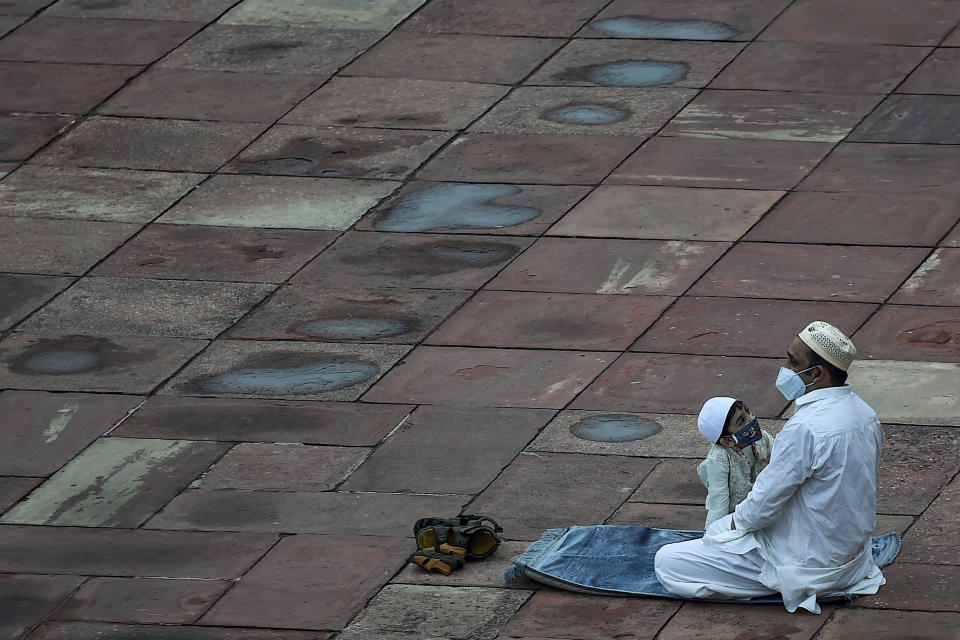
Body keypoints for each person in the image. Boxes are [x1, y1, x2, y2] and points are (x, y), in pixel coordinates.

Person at [655, 321, 885, 614]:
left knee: (668, 562)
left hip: (808, 566)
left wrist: (722, 530)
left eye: (792, 361)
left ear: (816, 374)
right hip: (853, 560)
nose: (785, 367)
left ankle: (769, 587)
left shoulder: (804, 428)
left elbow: (760, 509)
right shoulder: (867, 415)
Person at [696, 397, 776, 528]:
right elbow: (718, 504)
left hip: (765, 503)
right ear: (728, 441)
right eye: (742, 421)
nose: (750, 419)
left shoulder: (763, 438)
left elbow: (783, 462)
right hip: (737, 517)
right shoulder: (718, 461)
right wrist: (712, 537)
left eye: (748, 412)